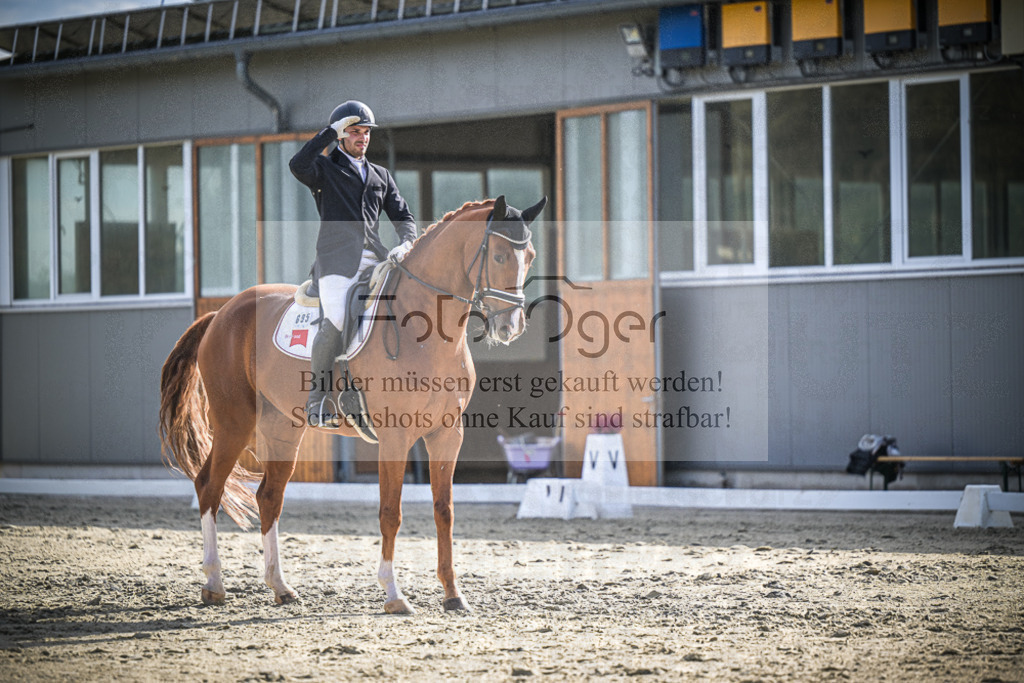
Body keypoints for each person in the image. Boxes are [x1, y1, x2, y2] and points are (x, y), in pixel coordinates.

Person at [289, 100, 417, 427]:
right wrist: (329, 133)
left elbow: (403, 216)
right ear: (342, 135)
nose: (363, 138)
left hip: (376, 258)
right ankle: (317, 400)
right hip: (335, 262)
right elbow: (297, 164)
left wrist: (406, 242)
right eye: (355, 132)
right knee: (336, 317)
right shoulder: (324, 168)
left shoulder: (380, 175)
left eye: (366, 133)